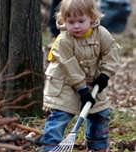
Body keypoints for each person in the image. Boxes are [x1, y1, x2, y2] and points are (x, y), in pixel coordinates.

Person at [39, 0, 120, 151]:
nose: (76, 26)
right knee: (61, 114)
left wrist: (105, 74)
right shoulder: (63, 40)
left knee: (101, 112)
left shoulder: (101, 33)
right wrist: (82, 89)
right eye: (71, 22)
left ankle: (98, 146)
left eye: (81, 21)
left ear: (91, 17)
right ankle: (49, 146)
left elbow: (112, 52)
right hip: (65, 84)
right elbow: (70, 66)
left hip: (93, 80)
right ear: (64, 20)